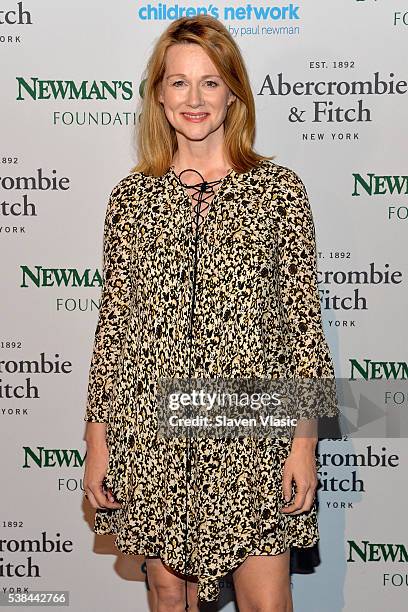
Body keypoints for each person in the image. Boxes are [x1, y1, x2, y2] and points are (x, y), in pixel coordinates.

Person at [82, 14, 338, 612]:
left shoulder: (278, 191)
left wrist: (302, 444)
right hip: (154, 438)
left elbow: (302, 327)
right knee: (171, 598)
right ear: (159, 95)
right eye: (178, 83)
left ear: (233, 92)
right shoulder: (132, 197)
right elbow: (115, 330)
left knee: (266, 602)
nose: (194, 99)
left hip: (251, 431)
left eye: (210, 82)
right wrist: (98, 441)